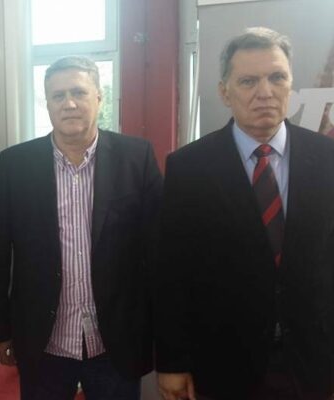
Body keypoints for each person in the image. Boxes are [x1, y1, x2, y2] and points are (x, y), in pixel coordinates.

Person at [155, 27, 334, 400]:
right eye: (248, 81)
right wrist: (172, 361)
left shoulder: (327, 158)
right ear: (225, 92)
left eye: (277, 78)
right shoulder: (188, 168)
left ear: (291, 85)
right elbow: (172, 272)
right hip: (224, 360)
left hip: (315, 359)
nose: (265, 92)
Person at [0, 55, 162, 399]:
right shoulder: (16, 164)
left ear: (99, 97)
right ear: (47, 104)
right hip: (44, 341)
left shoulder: (136, 158)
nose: (70, 104)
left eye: (79, 92)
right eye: (58, 96)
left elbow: (157, 252)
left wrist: (160, 333)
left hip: (115, 341)